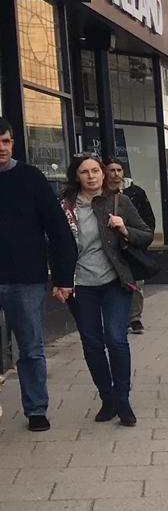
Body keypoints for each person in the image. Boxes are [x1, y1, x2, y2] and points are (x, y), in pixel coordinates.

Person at [60, 153, 153, 426]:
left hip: (116, 281)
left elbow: (145, 233)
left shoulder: (119, 201)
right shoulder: (66, 208)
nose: (91, 176)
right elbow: (56, 246)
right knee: (92, 343)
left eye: (95, 171)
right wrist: (60, 281)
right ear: (76, 176)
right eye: (84, 172)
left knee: (116, 338)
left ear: (103, 174)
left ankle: (123, 400)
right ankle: (107, 398)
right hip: (82, 285)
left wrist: (124, 229)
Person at [0, 118, 76, 431]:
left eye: (5, 142)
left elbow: (57, 229)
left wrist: (63, 277)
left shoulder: (31, 178)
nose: (1, 149)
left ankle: (35, 409)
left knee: (30, 347)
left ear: (12, 142)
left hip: (25, 278)